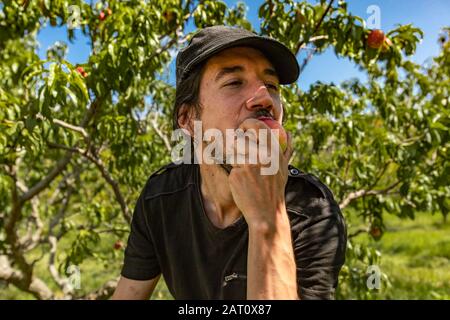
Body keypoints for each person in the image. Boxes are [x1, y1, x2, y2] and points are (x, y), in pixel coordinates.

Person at [112, 25, 347, 300]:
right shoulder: (161, 198)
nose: (265, 99)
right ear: (188, 119)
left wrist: (268, 218)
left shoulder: (312, 210)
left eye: (271, 86)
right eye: (234, 83)